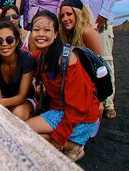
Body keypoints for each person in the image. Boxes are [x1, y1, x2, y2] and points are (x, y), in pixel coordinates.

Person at [26, 10, 100, 162]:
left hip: (80, 117)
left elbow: (79, 107)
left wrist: (58, 139)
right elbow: (22, 57)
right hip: (61, 110)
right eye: (36, 29)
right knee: (31, 136)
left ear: (55, 34)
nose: (41, 34)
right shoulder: (42, 56)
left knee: (25, 131)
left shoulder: (67, 59)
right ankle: (72, 145)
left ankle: (70, 145)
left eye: (47, 30)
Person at [62, 0, 117, 119]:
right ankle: (92, 99)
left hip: (101, 19)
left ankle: (108, 102)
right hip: (81, 23)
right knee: (85, 61)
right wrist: (71, 17)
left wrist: (104, 13)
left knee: (104, 59)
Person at [0, 21, 37, 120]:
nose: (4, 44)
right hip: (2, 99)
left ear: (17, 41)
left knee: (17, 114)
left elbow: (22, 96)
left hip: (25, 100)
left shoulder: (27, 59)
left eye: (9, 40)